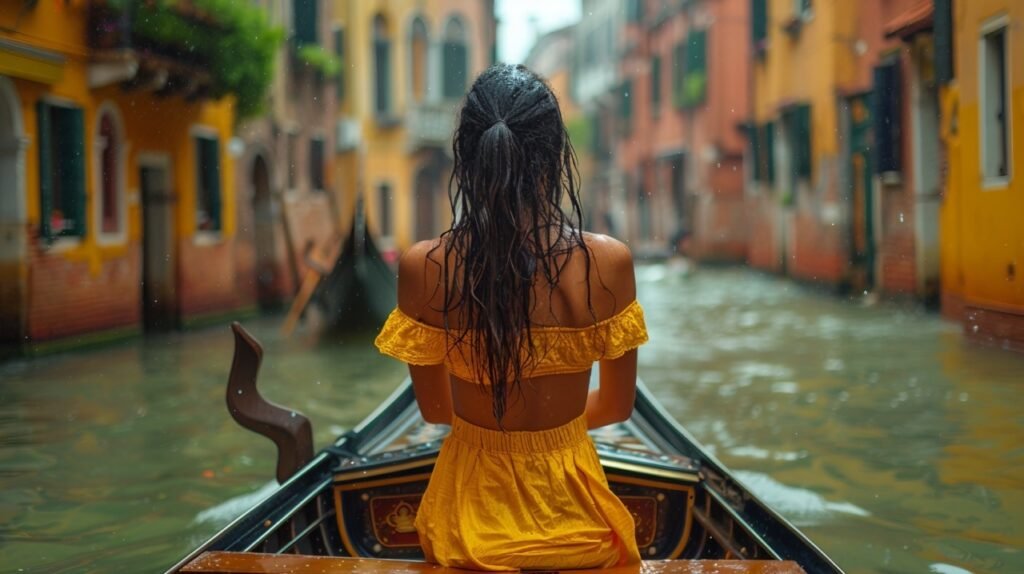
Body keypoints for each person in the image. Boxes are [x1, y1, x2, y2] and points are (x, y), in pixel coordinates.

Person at [374, 64, 647, 571]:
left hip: (467, 532)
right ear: (553, 156)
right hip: (578, 529)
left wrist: (498, 429)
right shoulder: (609, 263)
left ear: (469, 157)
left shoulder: (423, 268)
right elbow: (616, 404)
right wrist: (549, 429)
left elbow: (436, 410)